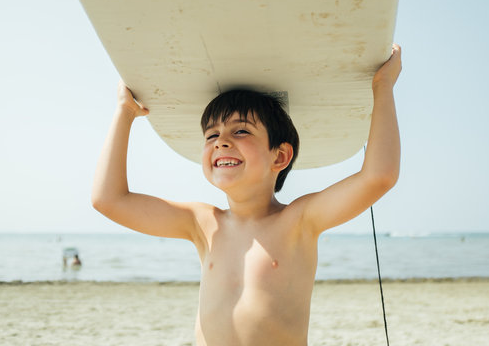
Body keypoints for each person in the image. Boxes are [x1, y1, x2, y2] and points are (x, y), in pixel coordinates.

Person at [92, 44, 402, 345]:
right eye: (211, 134)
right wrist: (125, 112)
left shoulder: (299, 220)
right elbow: (108, 199)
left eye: (240, 131)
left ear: (279, 157)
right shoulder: (202, 223)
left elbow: (379, 176)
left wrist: (383, 86)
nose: (221, 141)